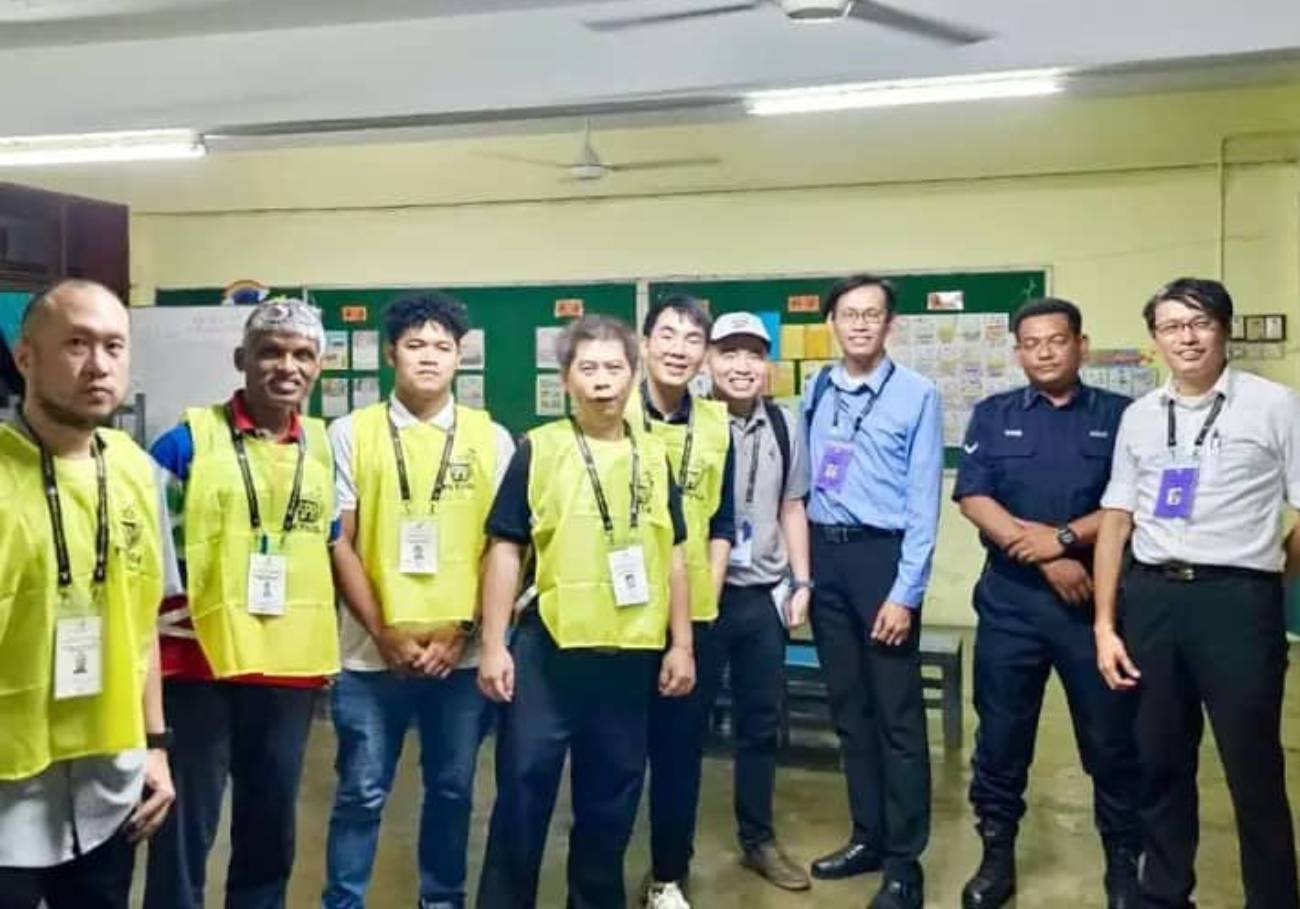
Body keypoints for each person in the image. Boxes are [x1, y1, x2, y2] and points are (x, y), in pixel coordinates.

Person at [1094, 277, 1300, 909]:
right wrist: (1105, 624)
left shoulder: (1275, 404)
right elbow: (1116, 521)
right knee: (1158, 762)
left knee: (1253, 769)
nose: (1186, 336)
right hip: (1153, 600)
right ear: (1155, 338)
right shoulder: (1139, 416)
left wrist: (1268, 576)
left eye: (1199, 322)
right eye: (1171, 326)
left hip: (1238, 604)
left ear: (1224, 330)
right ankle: (1164, 896)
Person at [476, 315, 695, 909]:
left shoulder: (654, 457)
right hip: (547, 656)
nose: (603, 382)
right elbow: (505, 549)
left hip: (628, 659)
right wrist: (493, 645)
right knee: (522, 799)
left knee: (612, 804)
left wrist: (682, 644)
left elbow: (673, 554)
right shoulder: (538, 449)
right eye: (588, 368)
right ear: (566, 379)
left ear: (635, 372)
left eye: (615, 368)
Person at [144, 297, 339, 909]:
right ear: (241, 360)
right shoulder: (183, 444)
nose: (287, 366)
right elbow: (145, 553)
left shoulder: (325, 449)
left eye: (303, 354)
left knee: (270, 830)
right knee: (183, 830)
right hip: (197, 668)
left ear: (319, 366)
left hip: (287, 670)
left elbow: (329, 548)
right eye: (271, 352)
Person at [322, 294, 513, 909]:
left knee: (453, 791)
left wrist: (463, 632)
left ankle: (443, 900)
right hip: (369, 658)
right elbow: (340, 544)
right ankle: (342, 902)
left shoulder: (493, 439)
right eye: (415, 344)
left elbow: (502, 549)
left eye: (442, 346)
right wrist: (385, 634)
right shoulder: (351, 434)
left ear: (461, 358)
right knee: (360, 794)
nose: (429, 357)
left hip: (456, 661)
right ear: (390, 353)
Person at [953, 297, 1139, 909]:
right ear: (1018, 351)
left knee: (1111, 742)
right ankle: (995, 859)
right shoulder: (994, 413)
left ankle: (1122, 867)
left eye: (1056, 340)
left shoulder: (1121, 417)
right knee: (1001, 741)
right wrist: (1044, 555)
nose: (1044, 352)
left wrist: (1064, 540)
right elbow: (975, 497)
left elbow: (1128, 505)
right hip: (1010, 608)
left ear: (1080, 345)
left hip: (1095, 611)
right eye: (1031, 343)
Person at [0, 279, 173, 909]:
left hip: (108, 785)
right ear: (26, 359)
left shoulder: (135, 469)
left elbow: (143, 621)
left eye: (113, 346)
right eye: (75, 344)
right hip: (9, 792)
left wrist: (155, 747)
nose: (98, 364)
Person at [802, 274, 942, 909]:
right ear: (832, 322)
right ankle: (868, 836)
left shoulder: (918, 395)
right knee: (849, 714)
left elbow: (924, 503)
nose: (859, 325)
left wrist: (905, 592)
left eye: (871, 315)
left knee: (898, 719)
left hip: (882, 562)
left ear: (890, 325)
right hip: (824, 558)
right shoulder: (817, 389)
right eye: (848, 314)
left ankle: (905, 861)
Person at [704, 311, 813, 892]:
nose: (742, 366)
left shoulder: (784, 425)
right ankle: (669, 851)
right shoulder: (689, 422)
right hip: (700, 600)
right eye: (729, 353)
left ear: (765, 364)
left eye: (753, 354)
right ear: (708, 361)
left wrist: (802, 582)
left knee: (759, 724)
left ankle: (758, 840)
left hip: (761, 597)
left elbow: (792, 506)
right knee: (682, 725)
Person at [632, 295, 735, 909]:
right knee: (617, 756)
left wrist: (706, 602)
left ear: (704, 354)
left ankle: (668, 875)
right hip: (620, 616)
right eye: (666, 334)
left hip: (693, 617)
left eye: (691, 338)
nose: (677, 347)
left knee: (678, 756)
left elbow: (723, 519)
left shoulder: (719, 424)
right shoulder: (612, 412)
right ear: (644, 343)